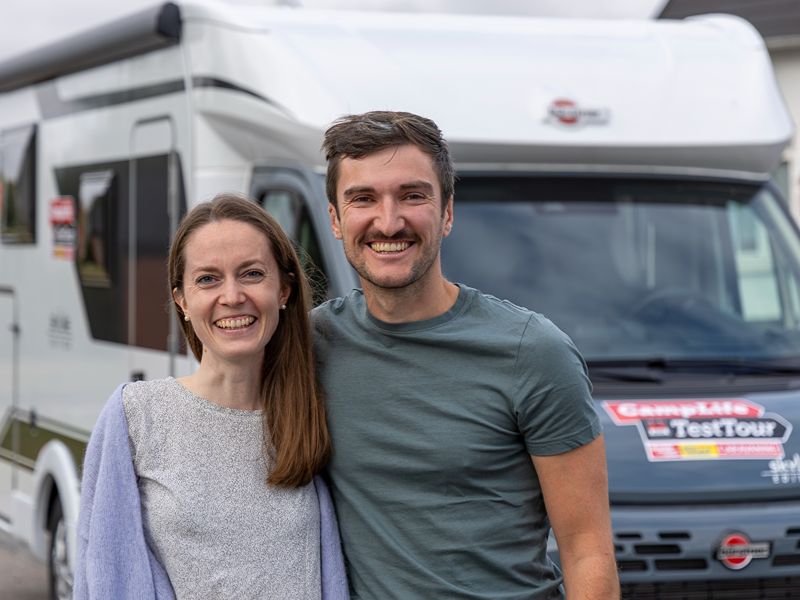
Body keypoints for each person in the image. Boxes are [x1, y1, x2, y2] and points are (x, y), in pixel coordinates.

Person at [312, 111, 619, 599]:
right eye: (363, 198)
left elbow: (588, 551)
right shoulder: (313, 345)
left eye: (413, 196)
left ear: (448, 212)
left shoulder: (533, 351)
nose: (388, 221)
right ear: (334, 219)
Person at [73, 193, 347, 600]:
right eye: (208, 279)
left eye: (252, 274)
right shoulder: (137, 415)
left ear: (284, 290)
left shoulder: (310, 414)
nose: (232, 296)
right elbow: (104, 574)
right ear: (182, 300)